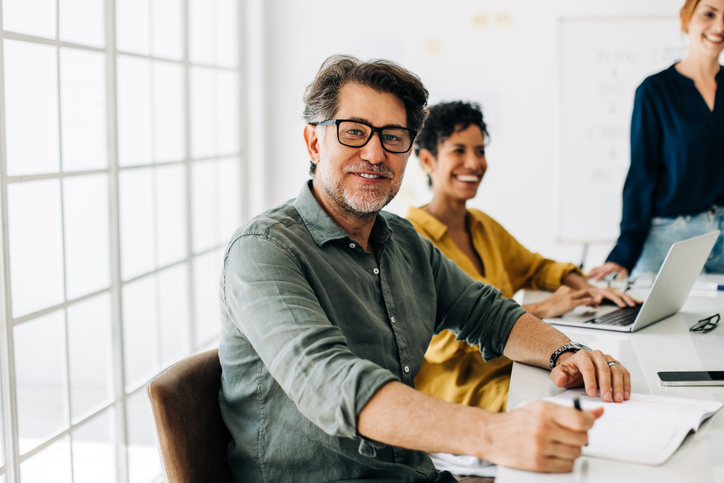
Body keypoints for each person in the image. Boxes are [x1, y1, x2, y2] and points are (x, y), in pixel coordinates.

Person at [219, 55, 631, 483]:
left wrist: (567, 352)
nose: (375, 153)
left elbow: (487, 313)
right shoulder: (263, 251)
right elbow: (333, 385)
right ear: (313, 142)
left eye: (394, 137)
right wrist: (494, 434)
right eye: (355, 132)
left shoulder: (403, 239)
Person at [408, 101, 636, 413]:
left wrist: (587, 288)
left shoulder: (481, 226)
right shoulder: (411, 239)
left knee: (602, 391)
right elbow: (443, 342)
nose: (474, 163)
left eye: (480, 151)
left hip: (517, 366)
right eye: (459, 151)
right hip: (464, 388)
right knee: (575, 408)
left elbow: (537, 267)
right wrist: (543, 308)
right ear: (426, 160)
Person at [588, 0, 724, 282]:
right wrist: (624, 251)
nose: (720, 26)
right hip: (670, 240)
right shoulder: (654, 91)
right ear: (685, 18)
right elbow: (641, 175)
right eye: (709, 14)